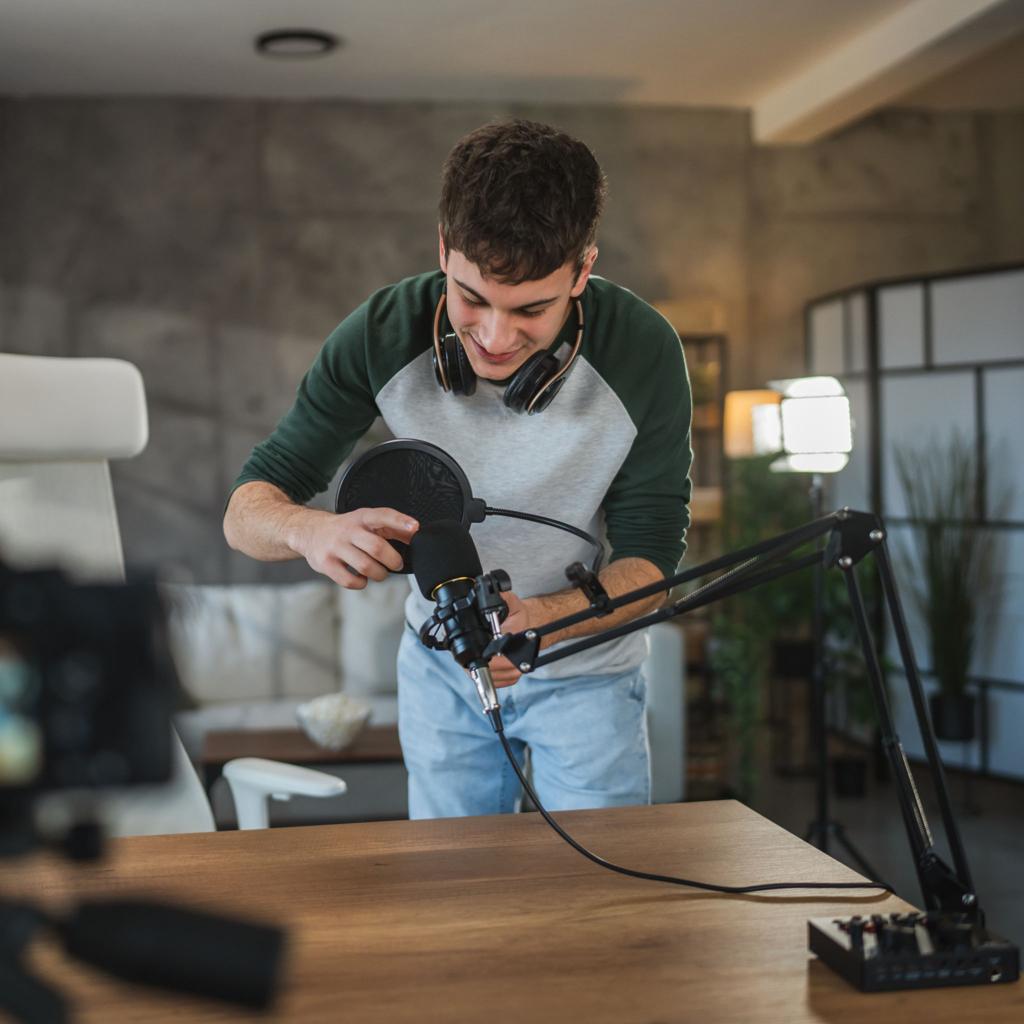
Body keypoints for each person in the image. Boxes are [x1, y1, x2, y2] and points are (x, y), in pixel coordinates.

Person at [223, 119, 692, 819]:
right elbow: (244, 514)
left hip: (588, 674)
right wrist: (307, 530)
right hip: (441, 674)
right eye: (472, 298)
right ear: (443, 248)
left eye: (532, 309)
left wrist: (543, 621)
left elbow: (652, 558)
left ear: (582, 271)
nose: (496, 338)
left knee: (600, 879)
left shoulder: (643, 351)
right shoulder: (380, 334)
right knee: (449, 878)